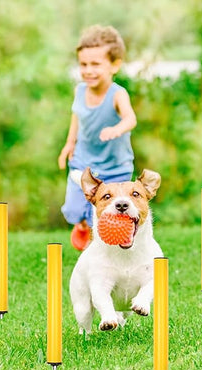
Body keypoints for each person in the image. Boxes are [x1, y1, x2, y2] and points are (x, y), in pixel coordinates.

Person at [58, 25, 137, 250]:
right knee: (73, 210)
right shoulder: (80, 91)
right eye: (83, 64)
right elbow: (77, 116)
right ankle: (82, 224)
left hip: (115, 167)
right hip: (83, 163)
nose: (88, 70)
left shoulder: (117, 94)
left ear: (115, 65)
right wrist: (69, 143)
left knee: (107, 217)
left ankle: (104, 248)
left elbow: (131, 119)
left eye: (95, 64)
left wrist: (118, 129)